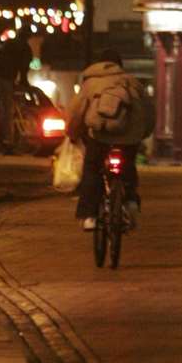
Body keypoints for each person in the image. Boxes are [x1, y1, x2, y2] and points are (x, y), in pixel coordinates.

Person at [67, 49, 151, 231]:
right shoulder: (132, 82)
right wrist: (142, 134)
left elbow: (76, 113)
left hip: (100, 135)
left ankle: (89, 216)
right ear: (120, 65)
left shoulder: (90, 83)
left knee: (93, 169)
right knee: (128, 165)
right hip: (129, 137)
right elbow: (148, 112)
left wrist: (72, 134)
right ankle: (130, 201)